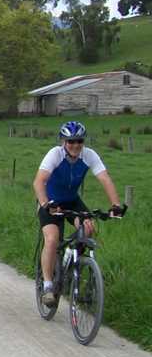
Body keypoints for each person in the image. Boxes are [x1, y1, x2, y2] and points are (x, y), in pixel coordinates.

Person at [32, 121, 123, 307]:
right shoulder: (55, 154)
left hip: (72, 200)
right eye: (71, 141)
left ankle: (71, 260)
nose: (75, 145)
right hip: (50, 201)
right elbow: (39, 182)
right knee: (52, 238)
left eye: (79, 141)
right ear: (63, 141)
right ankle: (48, 286)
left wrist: (115, 205)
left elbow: (104, 178)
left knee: (88, 228)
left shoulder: (88, 155)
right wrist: (45, 204)